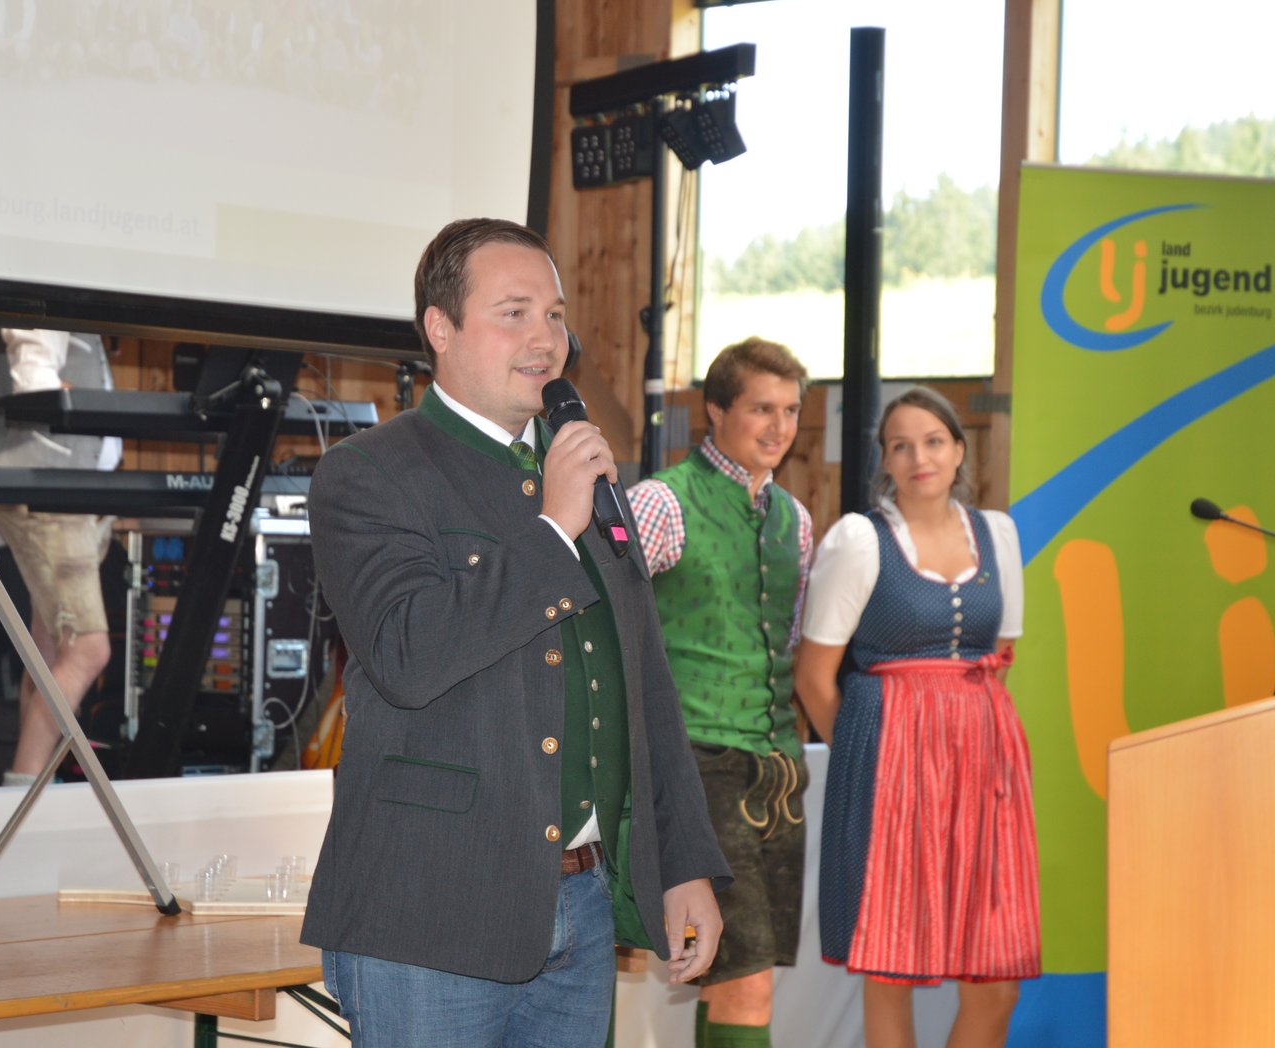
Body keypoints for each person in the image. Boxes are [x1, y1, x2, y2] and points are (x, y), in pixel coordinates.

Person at [302, 217, 730, 1047]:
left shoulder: (582, 476)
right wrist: (551, 531)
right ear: (441, 328)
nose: (546, 339)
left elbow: (645, 685)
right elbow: (408, 656)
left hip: (581, 903)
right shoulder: (369, 473)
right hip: (428, 917)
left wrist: (683, 864)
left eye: (556, 315)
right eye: (515, 313)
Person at [796, 387, 1040, 1048]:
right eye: (900, 445)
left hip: (983, 764)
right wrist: (868, 757)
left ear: (959, 450)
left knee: (996, 978)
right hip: (889, 760)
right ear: (886, 460)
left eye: (933, 441)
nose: (918, 457)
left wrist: (959, 733)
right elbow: (814, 676)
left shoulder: (997, 534)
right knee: (891, 964)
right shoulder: (860, 541)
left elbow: (1000, 654)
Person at [626, 337, 813, 1048]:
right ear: (715, 411)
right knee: (746, 979)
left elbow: (784, 639)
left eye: (790, 410)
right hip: (697, 762)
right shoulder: (662, 503)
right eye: (762, 408)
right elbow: (601, 622)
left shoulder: (796, 520)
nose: (779, 427)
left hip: (775, 766)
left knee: (740, 972)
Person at [0, 328, 121, 785]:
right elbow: (34, 383)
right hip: (51, 491)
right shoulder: (47, 298)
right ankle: (22, 804)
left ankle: (30, 798)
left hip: (66, 491)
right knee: (86, 650)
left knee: (50, 650)